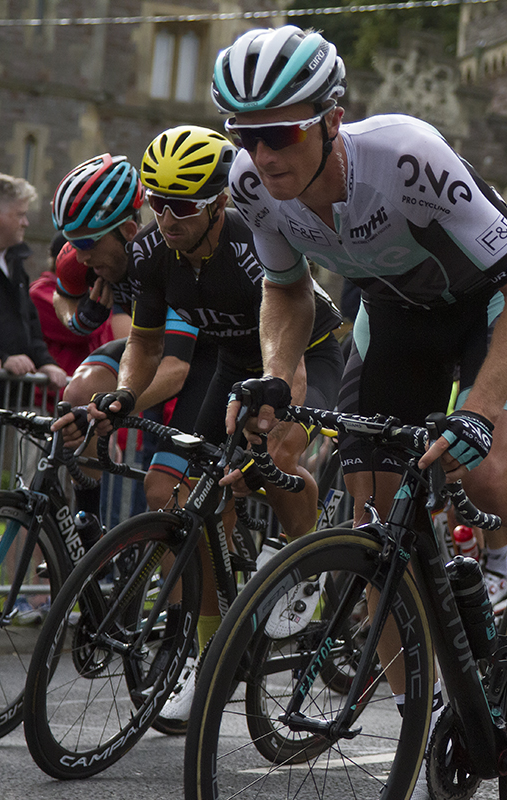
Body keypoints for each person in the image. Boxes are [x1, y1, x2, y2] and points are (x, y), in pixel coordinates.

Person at [212, 25, 507, 717]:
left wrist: (481, 409)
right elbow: (285, 288)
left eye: (280, 134)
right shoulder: (251, 184)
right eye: (244, 135)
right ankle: (418, 717)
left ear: (332, 120)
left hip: (492, 306)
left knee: (490, 478)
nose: (260, 154)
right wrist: (282, 372)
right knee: (374, 514)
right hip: (395, 315)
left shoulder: (406, 157)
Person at [80, 125, 346, 723]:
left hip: (310, 354)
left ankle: (303, 562)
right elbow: (143, 345)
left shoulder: (251, 245)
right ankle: (207, 655)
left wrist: (270, 424)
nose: (166, 218)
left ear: (219, 201)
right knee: (192, 499)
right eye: (156, 203)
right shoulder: (151, 254)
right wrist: (125, 395)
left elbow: (293, 351)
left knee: (276, 459)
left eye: (182, 206)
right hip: (232, 364)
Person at [49, 154, 214, 522]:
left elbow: (176, 368)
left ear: (126, 229)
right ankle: (88, 519)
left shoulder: (166, 256)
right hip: (148, 346)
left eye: (88, 243)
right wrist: (79, 318)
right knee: (78, 393)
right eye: (72, 242)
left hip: (199, 358)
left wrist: (115, 410)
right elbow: (64, 295)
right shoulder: (82, 254)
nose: (82, 255)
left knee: (164, 493)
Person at [0, 173, 66, 389]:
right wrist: (1, 358)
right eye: (20, 214)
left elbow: (29, 322)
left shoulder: (14, 262)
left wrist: (46, 363)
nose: (26, 222)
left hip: (11, 395)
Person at [30, 238, 125, 377]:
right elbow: (82, 332)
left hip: (92, 382)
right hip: (57, 389)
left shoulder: (98, 291)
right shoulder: (40, 291)